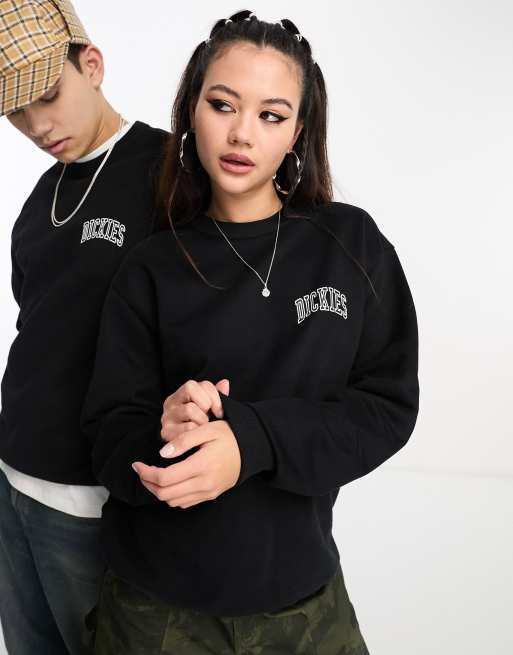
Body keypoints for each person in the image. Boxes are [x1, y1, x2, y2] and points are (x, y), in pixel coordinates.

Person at [81, 10, 419, 654]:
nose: (241, 133)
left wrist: (250, 442)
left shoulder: (350, 245)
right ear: (192, 110)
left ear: (298, 132)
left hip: (305, 606)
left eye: (270, 114)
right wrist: (165, 429)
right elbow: (108, 439)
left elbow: (386, 409)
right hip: (154, 615)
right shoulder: (152, 265)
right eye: (222, 104)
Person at [0, 1, 168, 653]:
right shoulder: (41, 197)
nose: (37, 126)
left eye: (47, 96)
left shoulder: (170, 171)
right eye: (16, 112)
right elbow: (38, 328)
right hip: (13, 483)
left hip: (96, 502)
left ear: (91, 65)